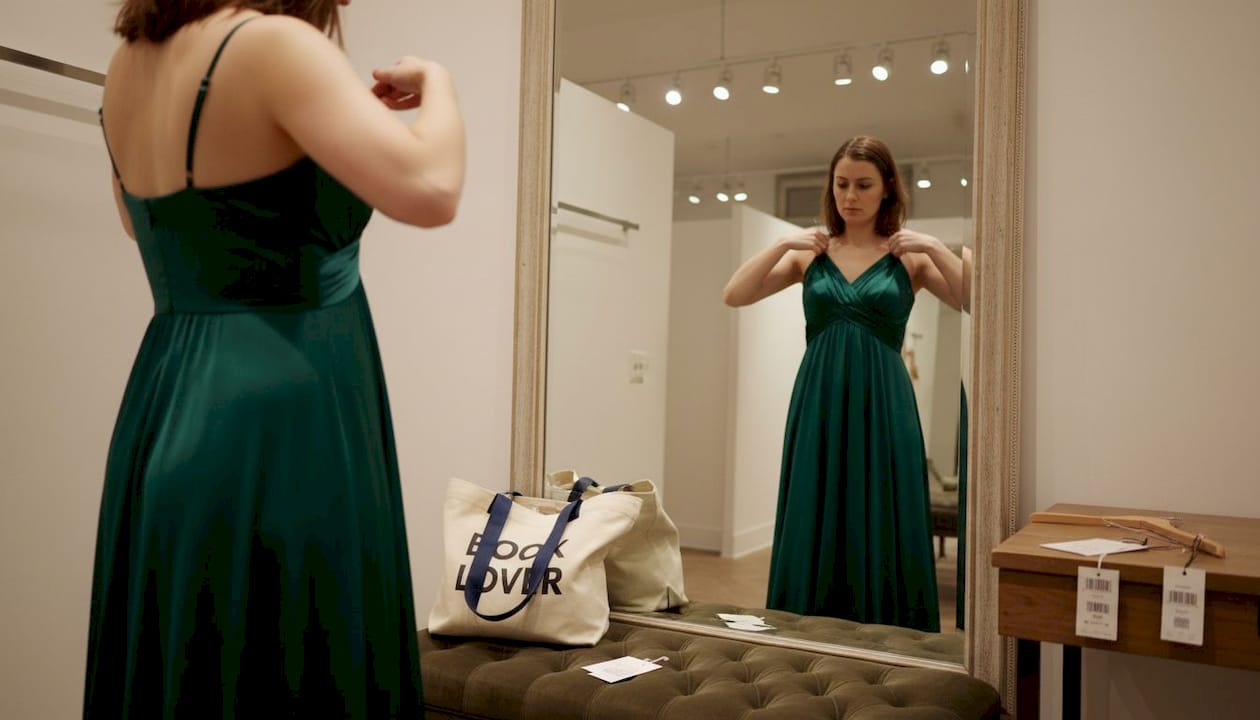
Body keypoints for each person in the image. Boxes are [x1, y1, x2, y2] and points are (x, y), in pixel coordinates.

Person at [85, 1, 465, 717]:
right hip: (287, 411)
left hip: (169, 396)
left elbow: (141, 225)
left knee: (195, 652)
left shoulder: (126, 65)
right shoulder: (274, 46)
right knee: (293, 655)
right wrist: (438, 84)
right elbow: (433, 189)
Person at [723, 136, 964, 632]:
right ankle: (808, 626)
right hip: (820, 400)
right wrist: (782, 244)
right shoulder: (810, 257)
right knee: (817, 503)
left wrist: (937, 247)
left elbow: (977, 300)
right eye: (841, 184)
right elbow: (735, 294)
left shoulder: (909, 258)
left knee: (881, 506)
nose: (850, 196)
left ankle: (887, 629)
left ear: (887, 187)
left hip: (885, 403)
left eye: (863, 185)